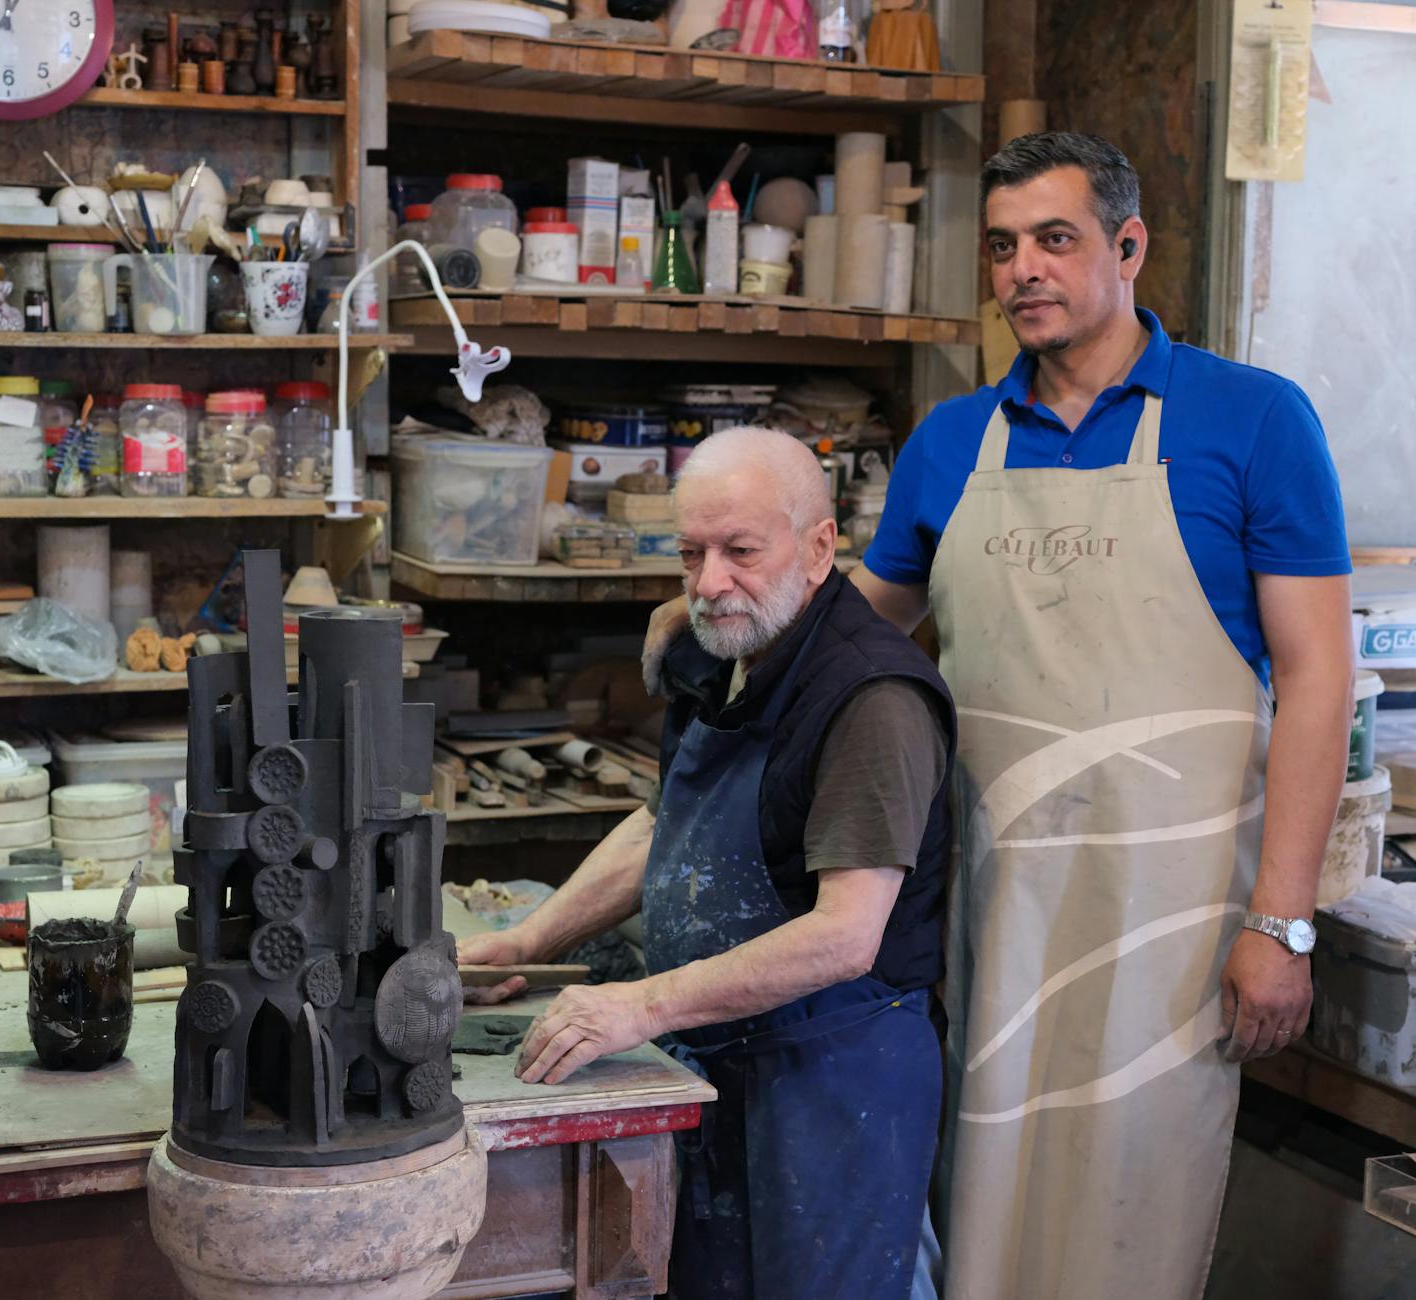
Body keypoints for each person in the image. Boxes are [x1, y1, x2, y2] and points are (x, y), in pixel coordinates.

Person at [643, 133, 1356, 1298]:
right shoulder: (950, 444)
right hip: (986, 902)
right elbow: (842, 635)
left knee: (1132, 1215)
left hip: (1167, 921)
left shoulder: (1253, 422)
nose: (1023, 268)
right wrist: (720, 599)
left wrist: (1281, 925)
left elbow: (1317, 680)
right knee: (969, 1220)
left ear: (1127, 248)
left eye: (1055, 240)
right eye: (1002, 246)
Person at [461, 425, 957, 1300]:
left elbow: (845, 937)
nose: (709, 584)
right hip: (715, 1054)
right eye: (690, 554)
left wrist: (640, 1005)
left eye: (739, 552)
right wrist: (525, 941)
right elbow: (668, 826)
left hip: (831, 1078)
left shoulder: (871, 699)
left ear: (818, 547)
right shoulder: (726, 650)